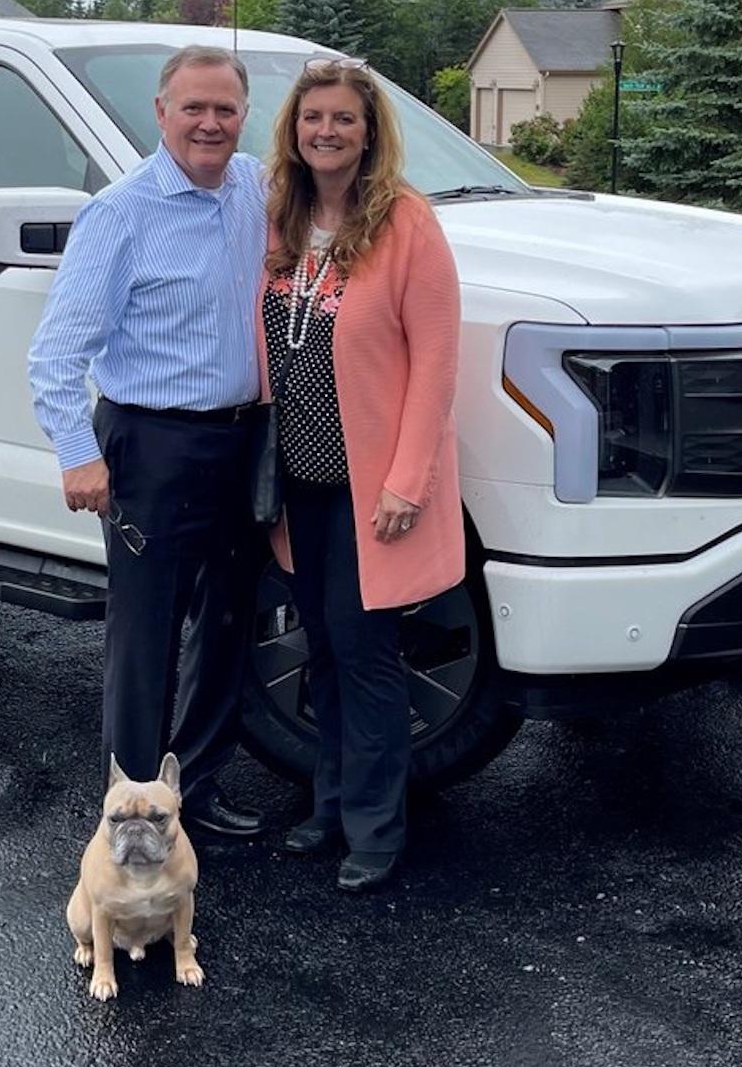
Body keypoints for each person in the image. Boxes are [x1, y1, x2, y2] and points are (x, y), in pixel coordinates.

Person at [27, 44, 269, 838]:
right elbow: (55, 353)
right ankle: (134, 811)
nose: (210, 123)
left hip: (240, 442)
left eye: (225, 109)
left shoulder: (254, 189)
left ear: (243, 115)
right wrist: (76, 452)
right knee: (148, 639)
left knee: (227, 623)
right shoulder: (121, 213)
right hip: (151, 448)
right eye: (192, 107)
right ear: (161, 113)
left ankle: (193, 789)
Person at [261, 56, 464, 891]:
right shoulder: (280, 216)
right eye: (314, 119)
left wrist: (406, 480)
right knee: (323, 650)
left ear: (369, 131)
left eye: (344, 119)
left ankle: (377, 828)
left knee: (367, 654)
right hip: (296, 483)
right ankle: (328, 804)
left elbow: (437, 361)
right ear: (294, 130)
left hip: (369, 487)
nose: (327, 132)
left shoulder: (406, 223)